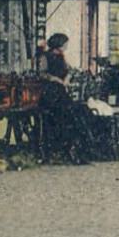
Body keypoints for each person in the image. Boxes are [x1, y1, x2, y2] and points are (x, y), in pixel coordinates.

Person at [39, 33, 90, 164]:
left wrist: (66, 78)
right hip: (51, 93)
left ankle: (75, 148)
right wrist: (56, 79)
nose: (67, 46)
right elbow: (42, 73)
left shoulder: (62, 57)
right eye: (65, 43)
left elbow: (67, 71)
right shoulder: (46, 56)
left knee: (76, 112)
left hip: (61, 92)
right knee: (63, 116)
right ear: (59, 44)